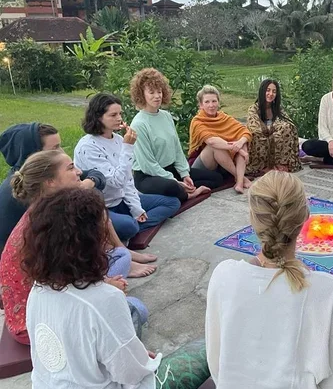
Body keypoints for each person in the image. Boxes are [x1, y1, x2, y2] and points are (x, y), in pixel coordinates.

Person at [205, 171, 333, 389]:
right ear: (306, 216)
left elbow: (218, 367)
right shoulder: (327, 290)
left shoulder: (224, 275)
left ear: (253, 218)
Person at [23, 187, 162, 389]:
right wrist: (137, 358)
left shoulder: (39, 286)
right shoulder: (105, 298)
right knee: (198, 354)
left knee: (135, 310)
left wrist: (131, 353)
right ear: (90, 241)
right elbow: (131, 373)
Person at [0, 151, 143, 345]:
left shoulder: (47, 212)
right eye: (70, 168)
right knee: (137, 308)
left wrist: (105, 285)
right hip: (40, 323)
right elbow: (63, 284)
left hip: (57, 295)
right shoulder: (50, 227)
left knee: (121, 255)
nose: (79, 171)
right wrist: (106, 289)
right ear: (50, 182)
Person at [75, 93, 181, 243]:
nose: (119, 118)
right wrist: (128, 147)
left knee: (172, 202)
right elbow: (116, 181)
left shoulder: (119, 140)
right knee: (129, 226)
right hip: (104, 208)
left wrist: (136, 208)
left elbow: (127, 181)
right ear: (98, 117)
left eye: (120, 114)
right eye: (113, 115)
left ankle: (128, 228)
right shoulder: (88, 146)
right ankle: (122, 230)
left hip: (121, 200)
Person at [0, 122, 105, 252]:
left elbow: (95, 174)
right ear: (34, 153)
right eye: (55, 148)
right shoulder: (25, 192)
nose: (61, 152)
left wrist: (88, 183)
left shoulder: (39, 175)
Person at [129, 68, 222, 201]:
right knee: (171, 186)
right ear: (141, 94)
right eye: (151, 92)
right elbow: (148, 165)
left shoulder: (166, 116)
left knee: (216, 178)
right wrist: (173, 180)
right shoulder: (139, 124)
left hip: (171, 169)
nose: (157, 96)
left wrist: (184, 174)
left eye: (159, 91)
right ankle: (189, 193)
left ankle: (184, 190)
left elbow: (177, 148)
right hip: (149, 175)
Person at [188, 85, 253, 193]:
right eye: (207, 102)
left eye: (214, 101)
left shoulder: (223, 117)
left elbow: (245, 131)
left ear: (218, 102)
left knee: (242, 142)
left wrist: (240, 142)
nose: (211, 105)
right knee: (215, 147)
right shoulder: (197, 121)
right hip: (204, 165)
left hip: (223, 163)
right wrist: (238, 150)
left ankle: (239, 183)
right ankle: (241, 178)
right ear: (201, 105)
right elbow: (211, 141)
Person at [245, 79, 301, 175]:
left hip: (275, 136)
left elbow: (289, 123)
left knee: (287, 128)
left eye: (274, 91)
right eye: (268, 90)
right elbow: (253, 126)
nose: (271, 94)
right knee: (256, 134)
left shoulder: (277, 109)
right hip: (261, 139)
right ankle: (263, 166)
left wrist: (274, 129)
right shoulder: (253, 108)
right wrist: (268, 131)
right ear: (262, 91)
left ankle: (281, 163)